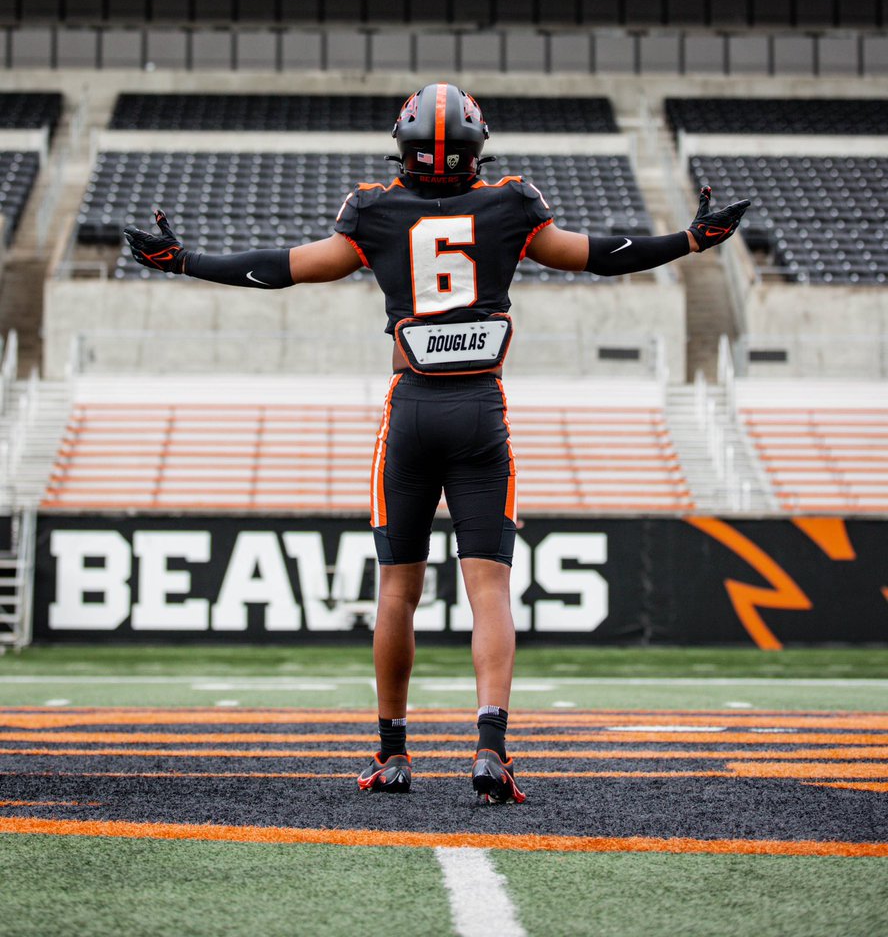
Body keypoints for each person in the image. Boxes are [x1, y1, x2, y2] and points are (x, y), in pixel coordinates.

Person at [124, 82, 749, 804]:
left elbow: (281, 268)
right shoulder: (513, 203)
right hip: (480, 410)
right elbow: (598, 255)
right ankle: (490, 749)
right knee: (488, 590)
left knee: (398, 592)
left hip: (412, 409)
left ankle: (392, 755)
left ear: (404, 148)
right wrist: (692, 240)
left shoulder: (374, 209)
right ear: (479, 148)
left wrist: (183, 260)